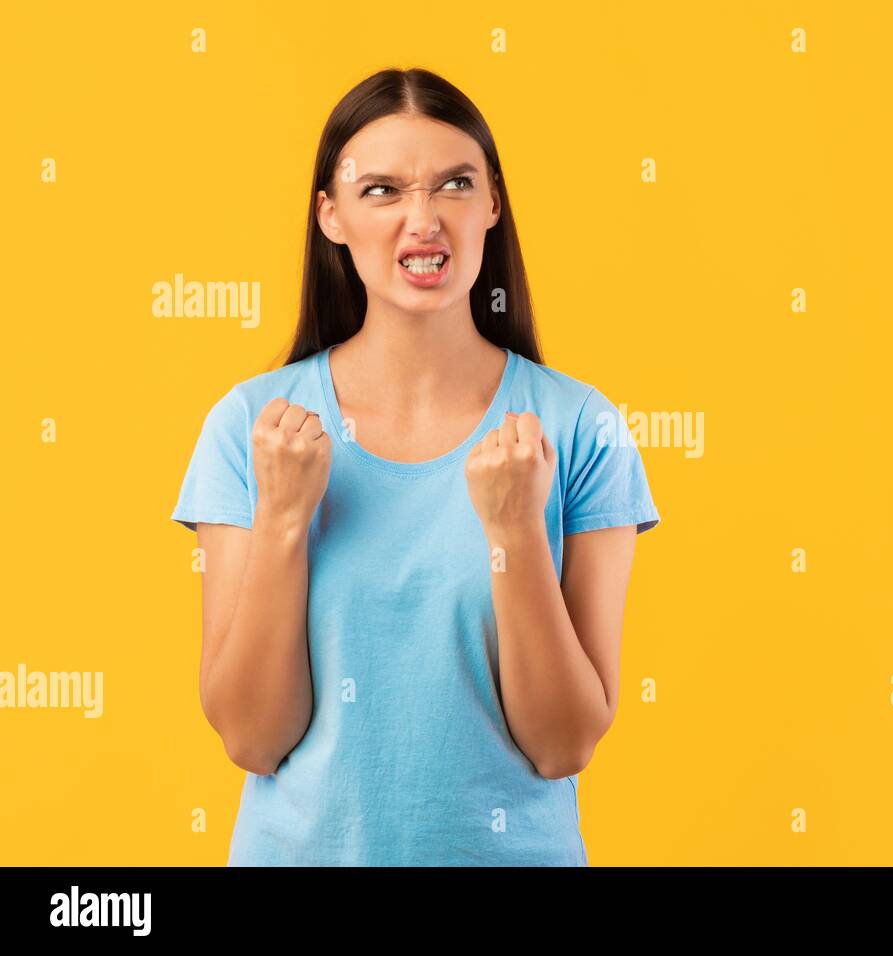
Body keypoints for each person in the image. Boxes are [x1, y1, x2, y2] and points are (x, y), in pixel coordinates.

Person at [170, 67, 660, 866]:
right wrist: (285, 518)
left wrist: (516, 531)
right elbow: (254, 738)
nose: (423, 221)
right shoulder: (251, 429)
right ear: (330, 215)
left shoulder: (582, 427)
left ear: (492, 205)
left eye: (454, 185)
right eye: (382, 191)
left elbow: (564, 743)